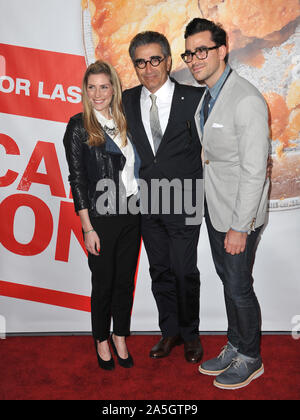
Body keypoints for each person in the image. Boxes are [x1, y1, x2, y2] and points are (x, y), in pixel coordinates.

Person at [182, 18, 270, 389]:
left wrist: (240, 226)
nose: (194, 59)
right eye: (189, 53)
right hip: (219, 209)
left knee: (238, 287)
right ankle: (236, 344)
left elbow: (254, 170)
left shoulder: (246, 99)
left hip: (239, 215)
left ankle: (251, 357)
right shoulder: (211, 93)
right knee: (229, 281)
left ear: (222, 50)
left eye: (201, 50)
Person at [122, 31, 205, 363]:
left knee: (185, 270)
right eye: (141, 62)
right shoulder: (126, 100)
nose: (148, 68)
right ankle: (169, 331)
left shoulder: (196, 97)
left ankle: (191, 335)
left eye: (155, 59)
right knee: (160, 270)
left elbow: (210, 150)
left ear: (168, 61)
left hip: (184, 200)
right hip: (147, 203)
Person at [63, 60, 141, 371]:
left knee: (125, 282)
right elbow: (77, 179)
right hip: (100, 217)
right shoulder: (79, 125)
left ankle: (120, 334)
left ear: (113, 89)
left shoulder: (125, 121)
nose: (98, 93)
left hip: (131, 213)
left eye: (104, 86)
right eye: (92, 87)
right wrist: (87, 228)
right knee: (104, 282)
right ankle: (101, 338)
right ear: (86, 90)